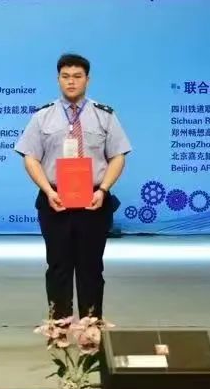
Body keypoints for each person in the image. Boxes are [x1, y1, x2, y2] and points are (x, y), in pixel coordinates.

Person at [15, 53, 132, 320]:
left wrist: (103, 189)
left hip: (94, 201)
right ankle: (59, 328)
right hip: (55, 200)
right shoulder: (43, 116)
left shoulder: (104, 115)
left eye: (77, 76)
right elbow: (30, 157)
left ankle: (91, 327)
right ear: (58, 79)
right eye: (65, 76)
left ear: (87, 80)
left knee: (91, 268)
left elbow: (118, 156)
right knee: (58, 267)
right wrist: (48, 191)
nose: (71, 82)